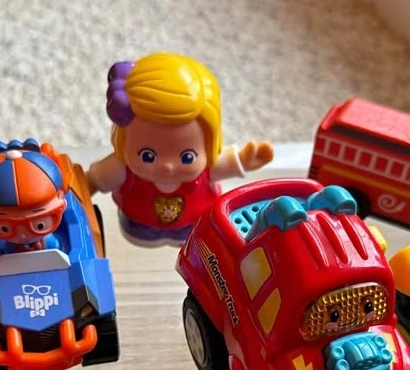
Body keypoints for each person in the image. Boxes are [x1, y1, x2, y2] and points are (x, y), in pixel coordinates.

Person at [87, 52, 274, 247]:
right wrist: (83, 187)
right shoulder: (122, 167)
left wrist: (243, 160)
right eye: (148, 156)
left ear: (209, 145)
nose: (167, 166)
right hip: (138, 226)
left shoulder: (208, 164)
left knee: (192, 243)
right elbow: (95, 179)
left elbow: (224, 163)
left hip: (193, 225)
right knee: (139, 237)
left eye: (187, 157)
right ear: (122, 142)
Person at [0, 139, 68, 258]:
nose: (23, 236)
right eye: (4, 228)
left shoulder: (49, 241)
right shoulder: (8, 246)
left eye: (40, 225)